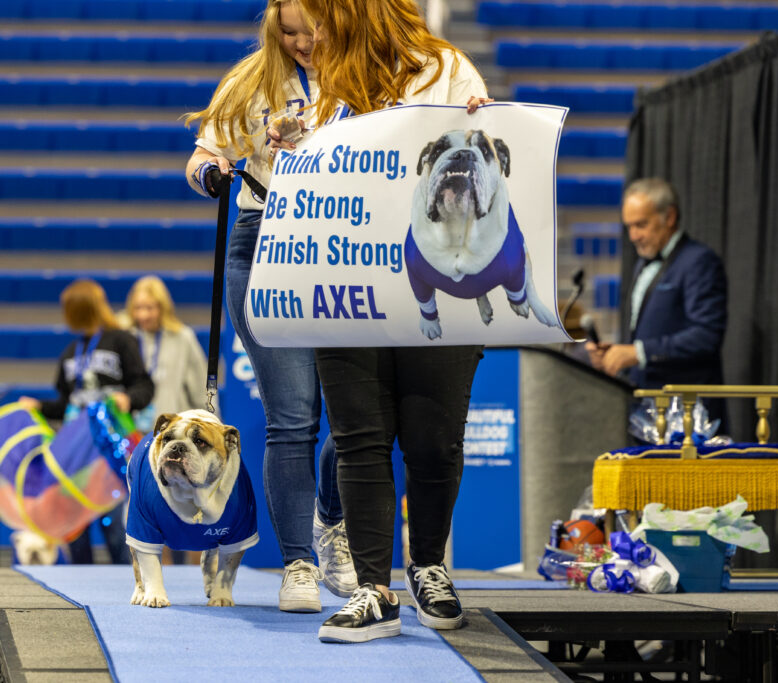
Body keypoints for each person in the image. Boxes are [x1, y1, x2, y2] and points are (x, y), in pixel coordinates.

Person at [289, 0, 490, 643]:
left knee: (434, 441)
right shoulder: (329, 90)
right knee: (359, 438)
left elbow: (485, 160)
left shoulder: (446, 69)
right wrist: (294, 149)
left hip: (444, 280)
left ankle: (428, 564)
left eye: (324, 20)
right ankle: (375, 589)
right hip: (349, 281)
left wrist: (488, 130)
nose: (314, 35)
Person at [184, 0, 356, 612]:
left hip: (346, 246)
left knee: (352, 417)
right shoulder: (249, 80)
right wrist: (211, 173)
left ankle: (332, 524)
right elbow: (200, 157)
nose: (303, 42)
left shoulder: (365, 75)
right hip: (261, 242)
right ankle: (299, 566)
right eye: (289, 31)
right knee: (292, 418)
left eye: (313, 30)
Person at [19, 278, 154, 564]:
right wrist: (39, 407)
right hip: (77, 455)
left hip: (110, 450)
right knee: (75, 526)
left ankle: (128, 582)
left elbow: (144, 385)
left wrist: (128, 399)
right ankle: (80, 588)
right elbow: (66, 403)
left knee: (113, 524)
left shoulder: (121, 340)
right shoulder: (71, 352)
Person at [586, 178, 727, 425]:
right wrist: (617, 353)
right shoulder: (643, 262)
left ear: (669, 217)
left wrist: (638, 352)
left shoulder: (698, 262)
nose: (633, 236)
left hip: (689, 417)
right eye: (629, 227)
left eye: (641, 225)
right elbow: (651, 331)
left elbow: (706, 336)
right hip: (647, 411)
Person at [124, 275, 212, 565]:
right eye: (138, 308)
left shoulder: (182, 337)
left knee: (187, 509)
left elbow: (200, 390)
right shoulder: (124, 337)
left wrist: (210, 432)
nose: (144, 315)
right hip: (134, 437)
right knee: (146, 509)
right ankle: (154, 577)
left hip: (176, 441)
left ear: (163, 308)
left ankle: (192, 576)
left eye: (150, 308)